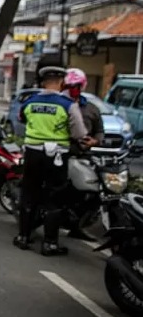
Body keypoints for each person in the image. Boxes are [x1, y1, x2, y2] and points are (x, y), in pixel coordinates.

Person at [13, 66, 96, 256]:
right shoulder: (67, 104)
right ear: (61, 83)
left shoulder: (30, 101)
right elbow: (79, 133)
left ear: (42, 82)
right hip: (56, 156)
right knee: (54, 198)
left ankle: (23, 237)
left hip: (32, 154)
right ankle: (50, 243)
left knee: (29, 194)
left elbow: (22, 119)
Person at [63, 68, 104, 241]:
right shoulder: (61, 104)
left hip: (84, 158)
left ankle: (78, 226)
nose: (73, 89)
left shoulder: (92, 109)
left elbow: (100, 132)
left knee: (90, 192)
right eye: (70, 85)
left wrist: (94, 142)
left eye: (76, 86)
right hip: (63, 154)